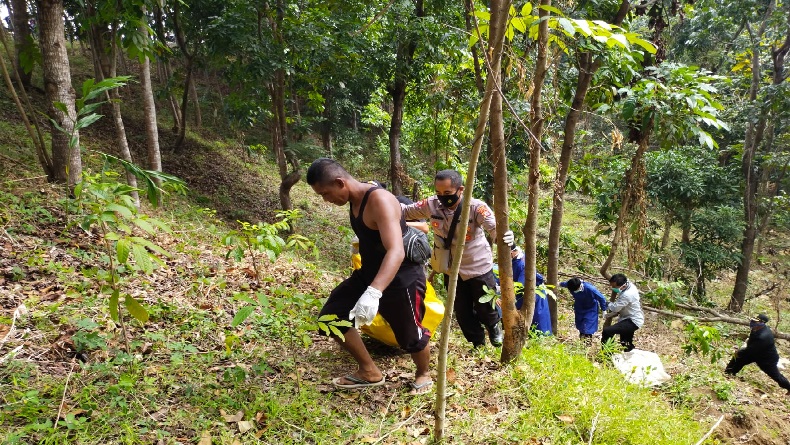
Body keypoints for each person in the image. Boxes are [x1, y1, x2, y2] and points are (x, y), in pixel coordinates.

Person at [307, 158, 432, 394]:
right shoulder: (354, 201)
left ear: (340, 182)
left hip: (401, 277)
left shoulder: (380, 200)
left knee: (410, 336)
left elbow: (396, 250)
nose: (326, 200)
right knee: (331, 317)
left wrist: (374, 292)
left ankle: (423, 374)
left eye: (326, 193)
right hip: (369, 273)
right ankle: (369, 372)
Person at [401, 169, 513, 348]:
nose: (442, 198)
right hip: (451, 267)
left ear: (460, 189)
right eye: (438, 193)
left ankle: (494, 326)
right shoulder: (431, 204)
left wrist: (504, 236)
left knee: (485, 303)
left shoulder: (475, 207)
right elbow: (406, 211)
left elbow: (494, 228)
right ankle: (477, 342)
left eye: (447, 193)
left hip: (477, 264)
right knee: (461, 310)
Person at [725, 313, 790, 394]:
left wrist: (740, 351)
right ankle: (728, 373)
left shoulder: (763, 337)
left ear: (762, 323)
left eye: (755, 322)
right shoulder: (756, 328)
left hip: (767, 359)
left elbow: (751, 350)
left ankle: (788, 387)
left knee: (775, 376)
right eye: (753, 320)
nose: (753, 322)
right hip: (755, 352)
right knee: (739, 359)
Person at [509, 246, 552, 334]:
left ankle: (541, 338)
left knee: (538, 318)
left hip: (534, 293)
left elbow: (520, 285)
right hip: (524, 293)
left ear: (513, 252)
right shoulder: (516, 260)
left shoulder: (523, 263)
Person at [601, 273, 643, 352]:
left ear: (622, 286)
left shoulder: (628, 294)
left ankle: (607, 353)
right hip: (628, 317)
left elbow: (616, 308)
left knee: (607, 331)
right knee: (625, 343)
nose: (613, 288)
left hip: (632, 321)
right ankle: (630, 355)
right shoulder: (628, 285)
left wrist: (608, 304)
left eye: (614, 287)